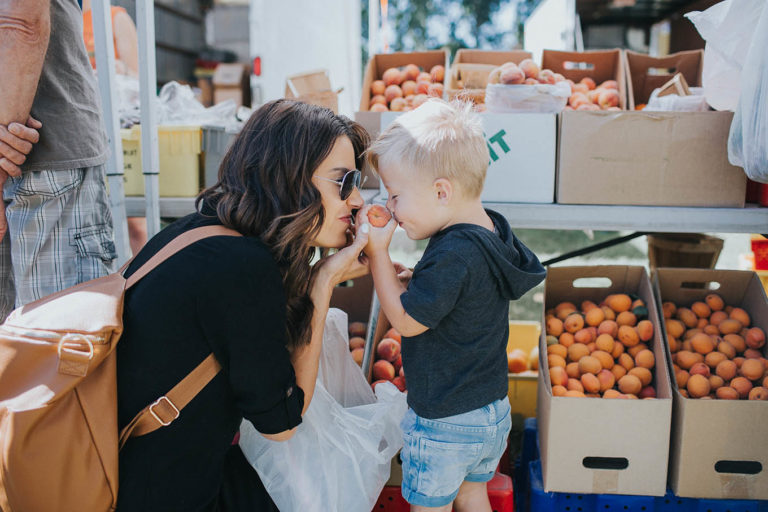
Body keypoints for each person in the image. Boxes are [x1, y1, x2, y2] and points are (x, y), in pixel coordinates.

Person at [116, 99, 371, 511]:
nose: (356, 199)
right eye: (343, 182)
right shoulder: (244, 268)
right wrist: (323, 282)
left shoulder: (203, 232)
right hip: (162, 493)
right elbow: (281, 421)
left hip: (138, 466)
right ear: (288, 177)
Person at [360, 99, 546, 512]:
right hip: (491, 410)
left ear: (441, 191)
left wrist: (377, 258)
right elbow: (465, 292)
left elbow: (407, 322)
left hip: (446, 421)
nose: (390, 208)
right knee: (472, 494)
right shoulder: (490, 232)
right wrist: (415, 279)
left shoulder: (452, 253)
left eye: (394, 196)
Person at [0, 0, 116, 323]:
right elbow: (21, 24)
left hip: (45, 159)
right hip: (45, 161)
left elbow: (21, 23)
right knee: (54, 354)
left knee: (51, 352)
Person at [81, 0, 149, 255]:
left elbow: (137, 75)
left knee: (135, 222)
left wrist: (114, 69)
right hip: (82, 128)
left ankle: (142, 277)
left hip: (119, 128)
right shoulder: (62, 15)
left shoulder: (115, 17)